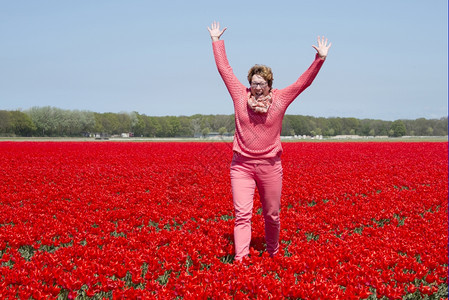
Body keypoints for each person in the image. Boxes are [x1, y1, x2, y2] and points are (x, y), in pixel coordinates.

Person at [207, 21, 331, 261]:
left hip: (270, 166)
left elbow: (302, 83)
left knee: (272, 215)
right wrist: (216, 41)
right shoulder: (239, 95)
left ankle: (274, 253)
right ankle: (241, 259)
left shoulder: (281, 99)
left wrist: (320, 59)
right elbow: (224, 69)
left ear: (270, 84)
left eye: (261, 83)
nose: (257, 87)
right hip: (241, 165)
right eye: (253, 82)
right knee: (242, 214)